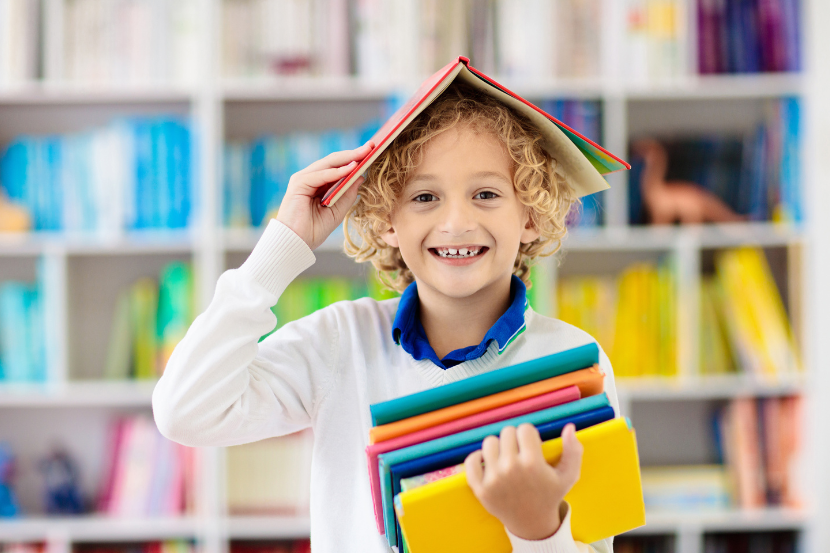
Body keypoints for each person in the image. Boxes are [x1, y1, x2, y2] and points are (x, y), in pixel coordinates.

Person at [152, 80, 621, 553]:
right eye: (424, 198)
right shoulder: (338, 342)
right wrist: (282, 248)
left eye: (486, 194)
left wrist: (538, 528)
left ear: (530, 216)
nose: (456, 221)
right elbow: (185, 411)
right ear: (386, 221)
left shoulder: (575, 360)